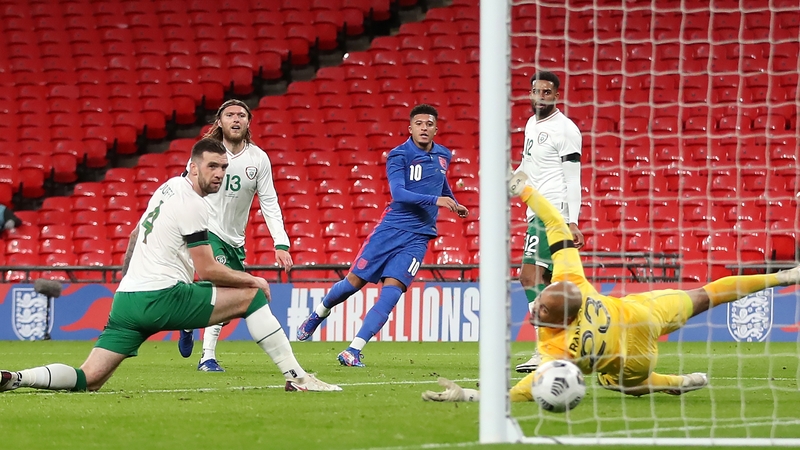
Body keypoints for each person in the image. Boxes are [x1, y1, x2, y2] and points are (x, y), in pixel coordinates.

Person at [420, 172, 800, 402]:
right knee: (707, 295)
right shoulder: (573, 282)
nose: (534, 310)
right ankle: (781, 277)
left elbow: (521, 392)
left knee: (615, 384)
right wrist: (526, 190)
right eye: (539, 307)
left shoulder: (561, 351)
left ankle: (679, 381)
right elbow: (556, 225)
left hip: (633, 363)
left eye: (543, 312)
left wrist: (468, 395)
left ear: (563, 320)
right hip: (644, 314)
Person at [0, 139, 340, 393]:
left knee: (88, 379)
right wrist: (251, 279)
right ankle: (297, 378)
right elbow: (206, 270)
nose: (219, 174)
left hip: (128, 301)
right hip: (162, 296)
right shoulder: (193, 203)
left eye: (224, 168)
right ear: (193, 167)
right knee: (251, 296)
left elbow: (134, 235)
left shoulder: (166, 187)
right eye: (212, 167)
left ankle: (16, 378)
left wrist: (125, 279)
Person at [295, 104, 469, 367]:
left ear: (436, 128)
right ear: (410, 128)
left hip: (419, 237)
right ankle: (319, 313)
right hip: (391, 229)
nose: (424, 127)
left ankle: (353, 350)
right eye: (419, 123)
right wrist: (438, 200)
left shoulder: (444, 155)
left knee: (393, 291)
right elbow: (399, 194)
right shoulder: (399, 155)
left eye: (429, 124)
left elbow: (441, 184)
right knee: (353, 284)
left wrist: (454, 203)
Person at [177, 99, 294, 373]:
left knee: (224, 299)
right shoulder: (206, 154)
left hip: (235, 240)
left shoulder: (258, 159)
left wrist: (281, 242)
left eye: (241, 115)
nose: (236, 119)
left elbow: (269, 201)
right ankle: (207, 357)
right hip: (205, 229)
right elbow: (186, 187)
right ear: (220, 121)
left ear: (248, 122)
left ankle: (186, 317)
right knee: (224, 290)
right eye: (229, 115)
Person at [514, 70, 584, 374]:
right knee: (553, 285)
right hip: (537, 210)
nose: (540, 97)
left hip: (552, 211)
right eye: (535, 91)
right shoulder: (531, 124)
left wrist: (572, 221)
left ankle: (544, 349)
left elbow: (573, 179)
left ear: (556, 95)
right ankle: (564, 346)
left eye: (546, 92)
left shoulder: (566, 129)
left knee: (529, 277)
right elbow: (527, 166)